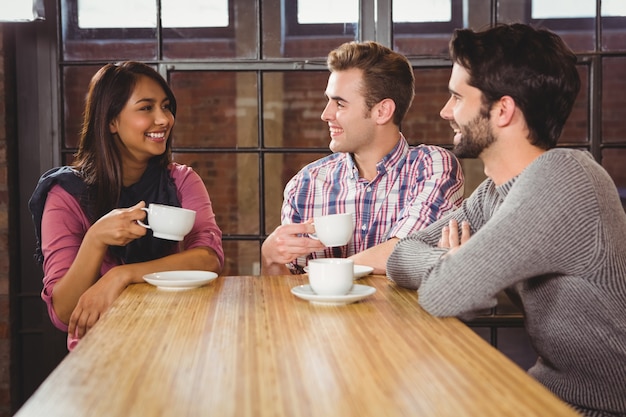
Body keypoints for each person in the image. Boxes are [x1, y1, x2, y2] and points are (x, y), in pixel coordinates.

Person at [387, 23, 626, 416]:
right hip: (544, 398)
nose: (445, 111)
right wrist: (449, 264)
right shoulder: (494, 193)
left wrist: (455, 273)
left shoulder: (564, 176)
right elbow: (401, 255)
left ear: (503, 110)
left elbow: (445, 294)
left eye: (457, 97)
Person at [29, 61, 224, 350]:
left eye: (166, 106)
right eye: (146, 108)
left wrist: (122, 276)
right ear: (111, 121)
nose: (164, 119)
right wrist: (95, 239)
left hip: (178, 339)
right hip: (101, 352)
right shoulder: (66, 195)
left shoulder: (182, 181)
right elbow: (63, 313)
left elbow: (209, 258)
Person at [261, 41, 465, 275]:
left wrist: (328, 271)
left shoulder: (432, 167)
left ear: (382, 111)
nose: (325, 114)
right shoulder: (305, 184)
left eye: (339, 103)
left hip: (401, 313)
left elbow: (410, 252)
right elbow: (284, 292)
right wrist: (270, 258)